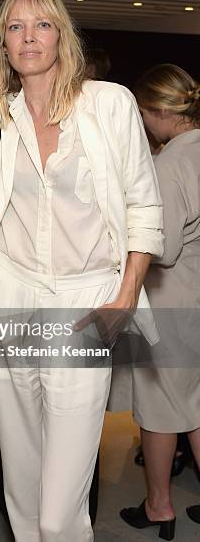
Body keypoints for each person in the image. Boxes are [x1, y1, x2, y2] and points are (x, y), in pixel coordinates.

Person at [0, 0, 163, 542]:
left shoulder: (108, 103)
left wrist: (126, 295)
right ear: (2, 43)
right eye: (15, 27)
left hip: (85, 302)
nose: (29, 37)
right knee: (21, 484)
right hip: (13, 297)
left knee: (61, 510)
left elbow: (143, 204)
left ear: (63, 35)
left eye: (42, 25)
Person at [120, 64, 200, 539]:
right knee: (197, 405)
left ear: (159, 112)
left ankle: (159, 506)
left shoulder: (169, 165)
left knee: (159, 410)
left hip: (174, 306)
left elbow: (162, 249)